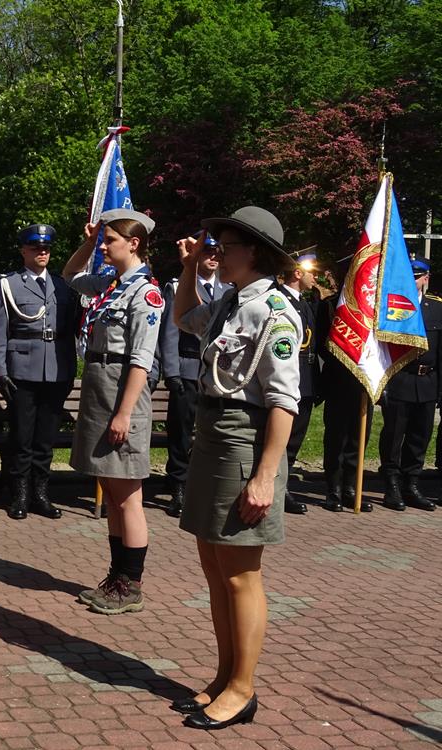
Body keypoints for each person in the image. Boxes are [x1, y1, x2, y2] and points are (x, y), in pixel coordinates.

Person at [171, 206, 302, 730]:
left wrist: (265, 476)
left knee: (242, 573)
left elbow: (283, 402)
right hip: (212, 435)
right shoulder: (228, 300)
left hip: (245, 443)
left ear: (257, 252)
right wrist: (187, 270)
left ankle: (243, 689)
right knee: (214, 567)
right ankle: (225, 675)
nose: (216, 252)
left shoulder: (274, 311)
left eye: (226, 245)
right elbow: (183, 319)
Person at [65, 209, 162, 615]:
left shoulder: (146, 293)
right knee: (112, 488)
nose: (103, 247)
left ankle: (131, 584)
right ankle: (116, 576)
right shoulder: (110, 282)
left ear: (134, 243)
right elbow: (70, 277)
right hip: (100, 385)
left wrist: (124, 414)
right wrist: (87, 243)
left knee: (128, 496)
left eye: (109, 240)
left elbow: (141, 359)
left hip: (123, 390)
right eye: (102, 241)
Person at [0, 223, 78, 520]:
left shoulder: (64, 285)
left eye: (46, 248)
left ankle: (41, 493)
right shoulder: (8, 284)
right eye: (36, 248)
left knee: (45, 437)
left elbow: (72, 328)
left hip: (56, 370)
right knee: (22, 437)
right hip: (21, 370)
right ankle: (20, 494)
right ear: (24, 250)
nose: (42, 252)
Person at [160, 233, 228, 518]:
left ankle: (203, 485)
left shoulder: (228, 292)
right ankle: (178, 486)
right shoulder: (179, 288)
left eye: (217, 254)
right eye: (207, 253)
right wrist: (172, 372)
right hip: (187, 369)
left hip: (216, 374)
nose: (212, 258)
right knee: (181, 432)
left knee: (210, 431)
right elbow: (170, 332)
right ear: (197, 256)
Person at [378, 255, 439, 512]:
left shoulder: (436, 307)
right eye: (409, 277)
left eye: (418, 277)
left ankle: (411, 483)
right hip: (400, 378)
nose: (413, 282)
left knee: (420, 436)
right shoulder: (393, 306)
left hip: (427, 381)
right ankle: (391, 483)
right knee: (393, 435)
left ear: (426, 278)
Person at [317, 256, 374, 513]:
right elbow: (320, 343)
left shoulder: (373, 310)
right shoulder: (330, 307)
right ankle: (333, 489)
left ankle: (352, 487)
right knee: (336, 437)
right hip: (338, 381)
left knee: (358, 437)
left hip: (364, 382)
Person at [280, 249, 321, 515]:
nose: (315, 278)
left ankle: (283, 484)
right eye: (312, 273)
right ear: (297, 273)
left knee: (294, 440)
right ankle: (277, 489)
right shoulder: (280, 300)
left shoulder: (305, 303)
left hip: (304, 382)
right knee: (280, 439)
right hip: (286, 381)